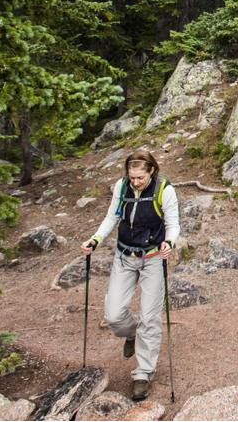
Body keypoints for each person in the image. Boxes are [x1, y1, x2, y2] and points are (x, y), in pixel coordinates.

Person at [81, 152, 180, 401]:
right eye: (132, 177)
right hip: (124, 256)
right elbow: (113, 216)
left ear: (151, 172)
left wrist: (169, 241)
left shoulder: (164, 190)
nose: (135, 182)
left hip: (153, 258)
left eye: (140, 177)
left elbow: (173, 223)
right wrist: (95, 239)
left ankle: (142, 374)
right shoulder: (122, 186)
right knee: (113, 314)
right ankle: (131, 333)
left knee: (149, 316)